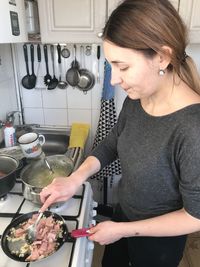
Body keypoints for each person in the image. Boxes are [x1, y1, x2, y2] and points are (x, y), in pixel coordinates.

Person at [40, 0, 200, 266]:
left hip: (158, 240)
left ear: (161, 57)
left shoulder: (192, 128)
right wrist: (75, 179)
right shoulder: (138, 97)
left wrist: (124, 230)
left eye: (122, 67)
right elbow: (113, 142)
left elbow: (195, 216)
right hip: (123, 214)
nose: (114, 79)